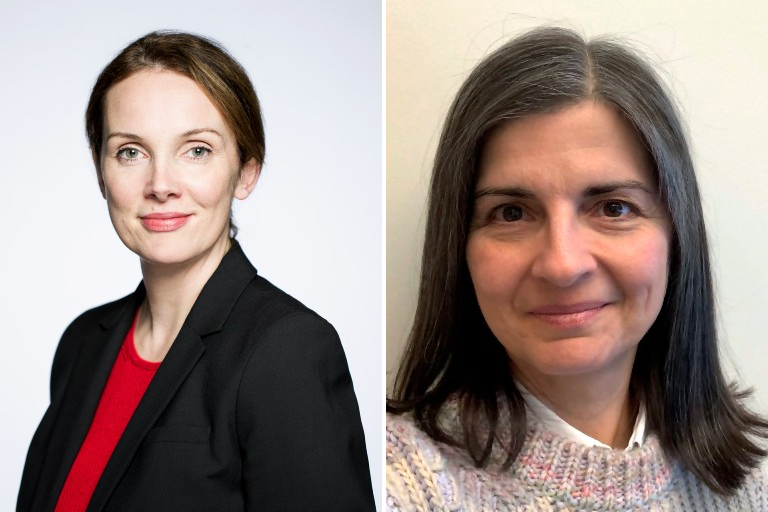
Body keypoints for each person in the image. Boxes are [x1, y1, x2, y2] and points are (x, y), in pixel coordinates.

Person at [386, 26, 768, 510]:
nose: (562, 265)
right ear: (457, 244)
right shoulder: (392, 481)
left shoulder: (753, 485)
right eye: (511, 212)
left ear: (677, 234)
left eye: (613, 208)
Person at [17, 30, 375, 511]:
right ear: (102, 173)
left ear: (246, 171)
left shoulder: (287, 349)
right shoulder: (82, 343)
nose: (160, 184)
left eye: (197, 150)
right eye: (130, 151)